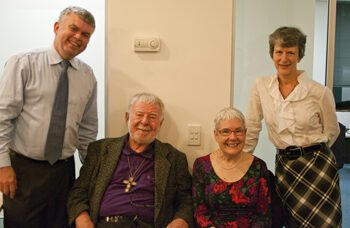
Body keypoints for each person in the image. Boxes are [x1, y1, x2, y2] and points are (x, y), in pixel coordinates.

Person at [0, 6, 98, 227]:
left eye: (85, 34)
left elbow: (87, 131)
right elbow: (2, 118)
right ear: (56, 27)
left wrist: (92, 173)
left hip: (64, 172)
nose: (78, 37)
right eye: (73, 29)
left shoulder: (87, 75)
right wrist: (2, 165)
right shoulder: (23, 63)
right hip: (24, 171)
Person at [244, 26, 342, 227]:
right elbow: (252, 126)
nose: (284, 58)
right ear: (272, 54)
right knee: (291, 221)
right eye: (279, 52)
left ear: (300, 56)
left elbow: (332, 131)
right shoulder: (260, 86)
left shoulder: (319, 92)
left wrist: (310, 151)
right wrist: (242, 161)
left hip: (318, 167)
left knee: (324, 223)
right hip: (286, 166)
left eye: (291, 52)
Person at [67, 92, 193, 228]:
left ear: (160, 123)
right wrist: (83, 220)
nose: (144, 122)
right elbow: (78, 192)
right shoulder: (100, 150)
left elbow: (186, 200)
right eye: (139, 115)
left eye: (152, 117)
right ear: (127, 118)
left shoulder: (174, 158)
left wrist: (181, 221)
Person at [192, 107, 272, 228]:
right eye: (226, 131)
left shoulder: (259, 166)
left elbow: (264, 214)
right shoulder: (201, 165)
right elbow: (200, 212)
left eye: (238, 131)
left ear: (245, 133)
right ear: (216, 135)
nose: (233, 137)